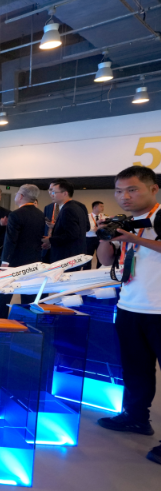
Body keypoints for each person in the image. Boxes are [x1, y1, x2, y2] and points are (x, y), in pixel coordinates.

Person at [95, 166, 161, 465]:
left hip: (159, 310)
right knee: (135, 369)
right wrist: (106, 237)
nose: (125, 196)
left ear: (153, 189)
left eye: (132, 189)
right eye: (119, 191)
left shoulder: (159, 217)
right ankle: (136, 418)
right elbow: (106, 260)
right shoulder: (126, 222)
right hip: (130, 306)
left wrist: (134, 237)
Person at [0, 184, 48, 309]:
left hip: (15, 260)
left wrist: (5, 261)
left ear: (20, 196)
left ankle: (0, 316)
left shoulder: (15, 214)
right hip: (34, 258)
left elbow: (11, 240)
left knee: (4, 292)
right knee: (28, 292)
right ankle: (26, 316)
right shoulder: (40, 214)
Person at [43, 178, 89, 269]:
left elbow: (72, 235)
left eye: (54, 192)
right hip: (73, 255)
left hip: (67, 257)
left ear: (65, 193)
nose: (52, 194)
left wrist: (50, 240)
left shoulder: (68, 209)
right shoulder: (74, 207)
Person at [86, 201, 107, 267]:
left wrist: (100, 228)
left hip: (100, 238)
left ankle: (99, 269)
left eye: (103, 206)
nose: (103, 208)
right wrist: (93, 229)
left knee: (100, 256)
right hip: (89, 238)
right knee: (88, 257)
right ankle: (86, 270)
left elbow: (107, 226)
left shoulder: (104, 217)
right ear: (95, 207)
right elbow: (84, 227)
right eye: (101, 206)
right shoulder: (87, 217)